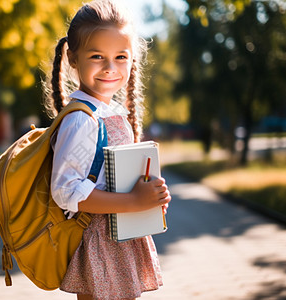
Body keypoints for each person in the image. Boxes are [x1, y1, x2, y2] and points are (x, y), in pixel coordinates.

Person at [44, 0, 171, 299]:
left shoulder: (107, 112)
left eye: (121, 56)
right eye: (97, 56)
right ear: (73, 59)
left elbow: (113, 177)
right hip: (99, 245)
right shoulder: (81, 119)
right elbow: (66, 190)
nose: (110, 68)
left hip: (119, 238)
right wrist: (132, 201)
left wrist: (149, 197)